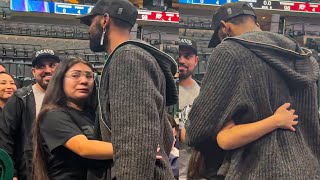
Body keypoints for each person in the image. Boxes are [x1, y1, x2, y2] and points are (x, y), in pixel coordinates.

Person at [186, 2, 320, 179]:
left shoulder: (229, 51)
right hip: (309, 167)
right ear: (257, 23)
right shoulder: (303, 57)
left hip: (258, 169)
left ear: (225, 27)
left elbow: (199, 128)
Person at [78, 0, 178, 179]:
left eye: (91, 22)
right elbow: (166, 135)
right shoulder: (132, 57)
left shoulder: (127, 58)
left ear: (104, 20)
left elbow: (135, 142)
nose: (88, 29)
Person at [32, 57, 114, 180]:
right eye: (75, 75)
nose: (84, 81)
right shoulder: (52, 115)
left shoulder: (93, 114)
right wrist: (137, 149)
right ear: (60, 80)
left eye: (89, 76)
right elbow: (84, 148)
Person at [0, 49, 60, 180]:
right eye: (41, 66)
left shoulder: (69, 97)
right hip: (29, 172)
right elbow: (5, 137)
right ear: (33, 72)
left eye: (52, 65)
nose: (47, 70)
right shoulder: (20, 98)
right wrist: (11, 172)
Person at [178, 36, 200, 180]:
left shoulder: (205, 94)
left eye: (187, 56)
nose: (181, 60)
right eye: (178, 55)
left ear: (196, 61)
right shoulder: (162, 91)